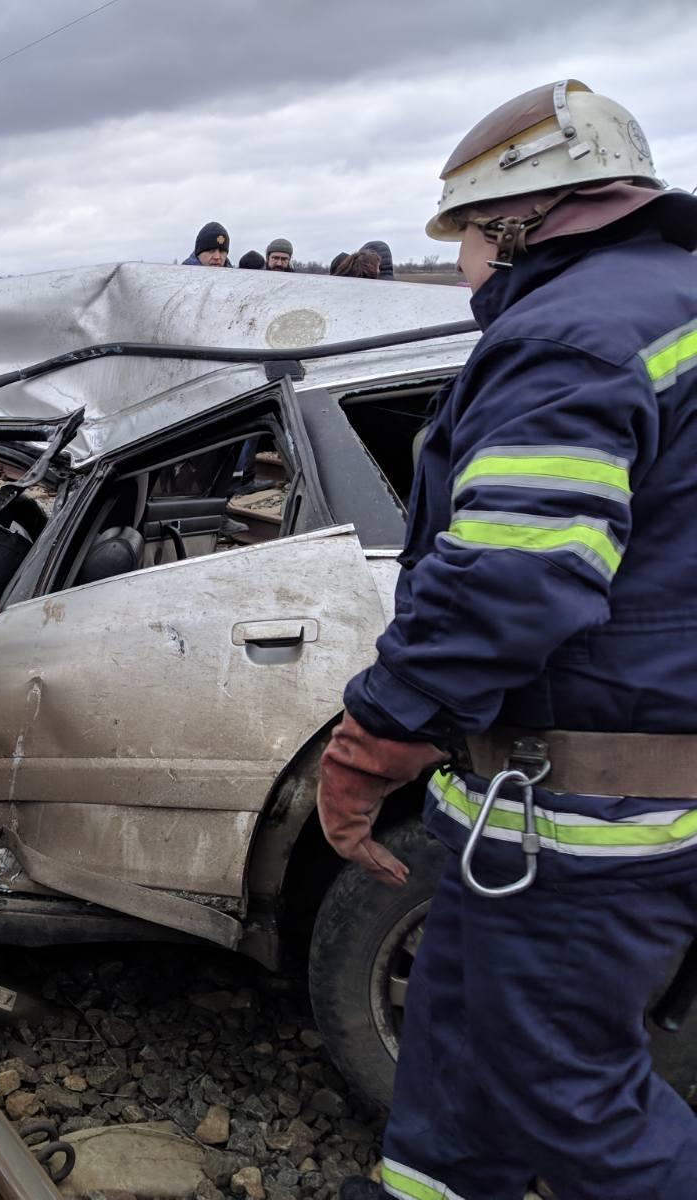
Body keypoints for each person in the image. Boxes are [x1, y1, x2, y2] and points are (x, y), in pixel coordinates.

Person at [319, 79, 697, 1200]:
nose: (461, 269)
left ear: (520, 224)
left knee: (567, 1096)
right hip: (575, 802)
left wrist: (372, 733)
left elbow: (511, 579)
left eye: (464, 241)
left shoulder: (573, 334)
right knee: (457, 1050)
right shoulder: (673, 303)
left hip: (584, 817)